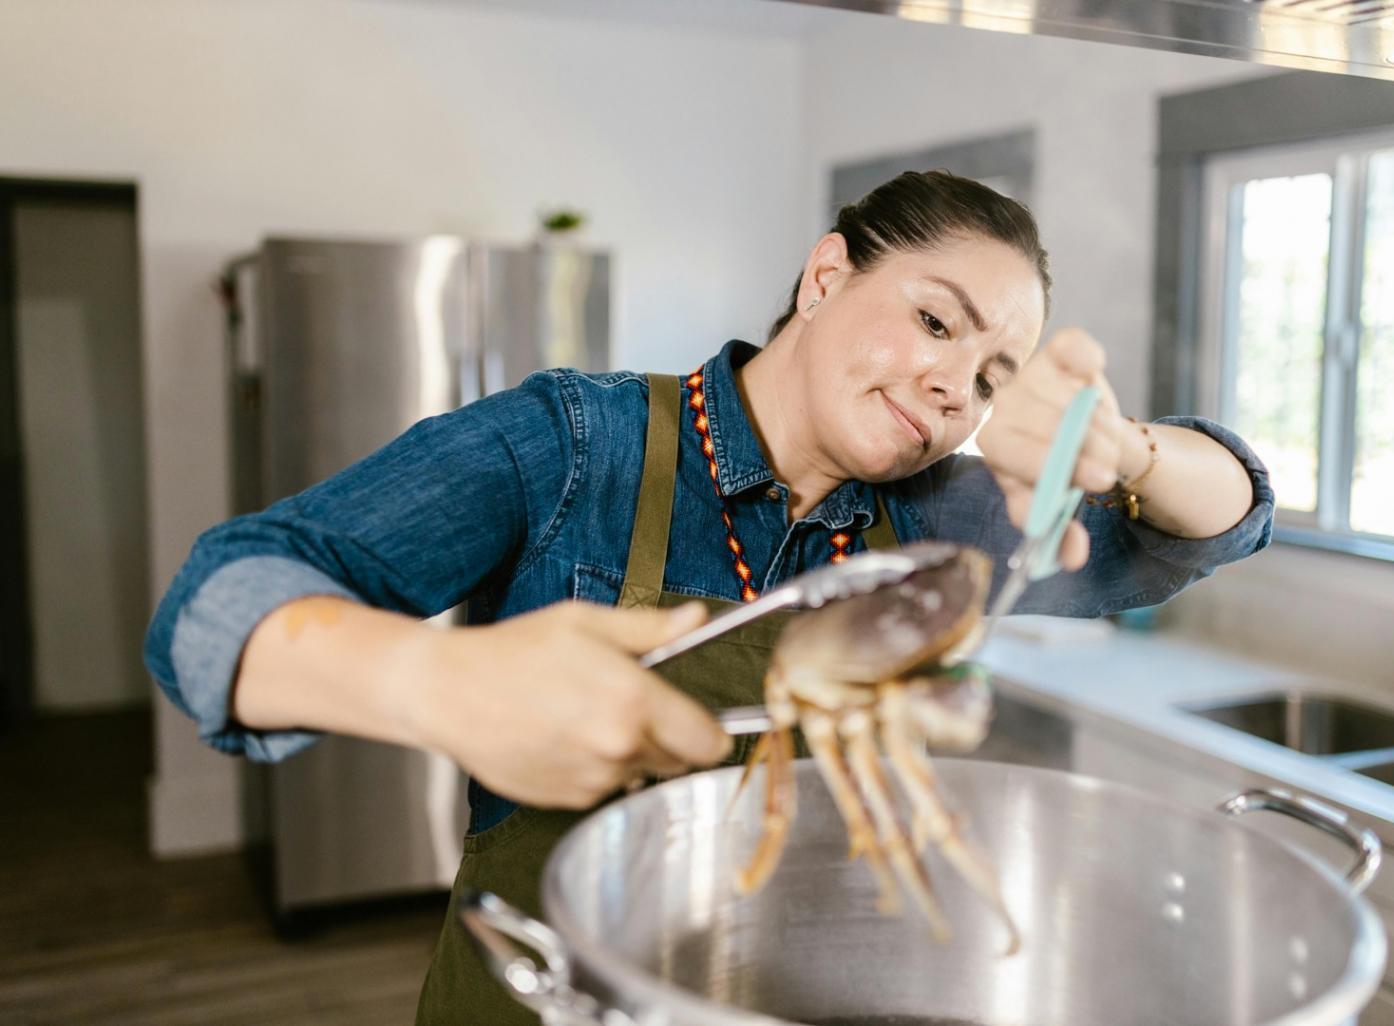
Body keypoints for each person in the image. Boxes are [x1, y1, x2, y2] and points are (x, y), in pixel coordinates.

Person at [144, 170, 1273, 1022]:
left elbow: (1210, 529)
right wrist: (431, 678)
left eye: (990, 378)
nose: (951, 388)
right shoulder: (577, 445)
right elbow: (212, 605)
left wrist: (1126, 449)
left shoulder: (942, 522)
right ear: (825, 278)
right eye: (935, 323)